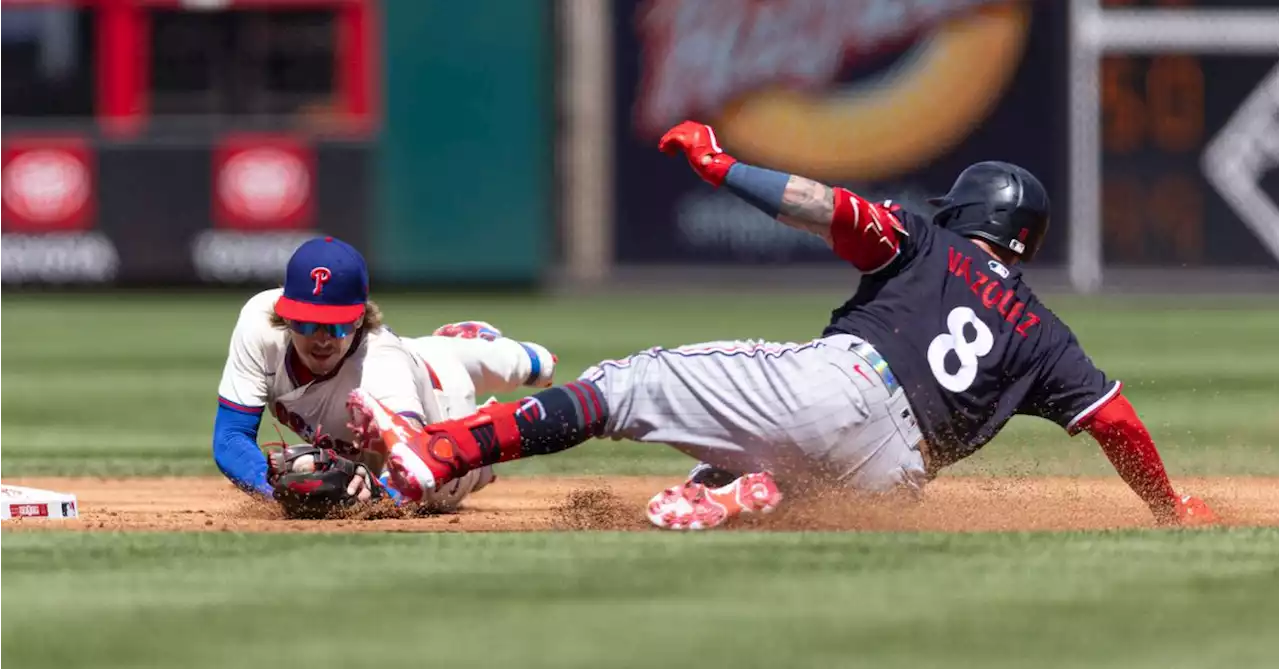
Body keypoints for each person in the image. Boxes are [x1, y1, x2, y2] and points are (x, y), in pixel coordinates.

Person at [344, 121, 1218, 531]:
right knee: (778, 461)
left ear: (971, 215)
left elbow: (824, 205)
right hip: (893, 475)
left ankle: (442, 452)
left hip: (844, 386)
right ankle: (743, 494)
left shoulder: (931, 244)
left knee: (630, 382)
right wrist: (1167, 504)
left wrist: (723, 166)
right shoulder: (1044, 330)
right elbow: (1114, 419)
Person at [211, 236, 557, 518]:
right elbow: (229, 438)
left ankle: (488, 347)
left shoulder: (382, 364)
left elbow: (418, 469)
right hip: (414, 362)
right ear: (284, 315)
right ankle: (453, 344)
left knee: (535, 367)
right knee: (423, 355)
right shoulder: (258, 323)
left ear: (361, 317)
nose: (321, 337)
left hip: (443, 412)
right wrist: (278, 492)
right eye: (305, 321)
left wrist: (375, 496)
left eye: (335, 323)